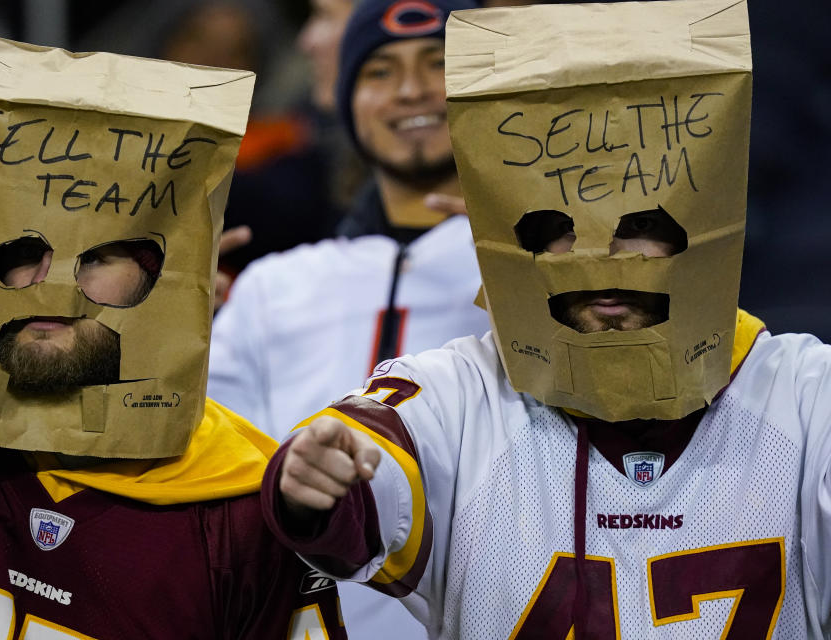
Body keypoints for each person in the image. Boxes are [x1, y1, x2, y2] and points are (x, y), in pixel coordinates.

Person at [260, 1, 831, 638]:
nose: (597, 259)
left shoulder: (808, 394)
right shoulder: (458, 393)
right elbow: (370, 473)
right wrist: (315, 476)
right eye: (557, 230)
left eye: (637, 225)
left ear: (700, 229)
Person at [0, 34, 345, 639]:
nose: (53, 284)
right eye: (26, 247)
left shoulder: (246, 510)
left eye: (98, 255)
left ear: (174, 274)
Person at [209, 1, 487, 637]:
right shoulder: (276, 285)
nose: (413, 90)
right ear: (344, 98)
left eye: (440, 65)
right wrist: (158, 336)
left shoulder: (556, 269)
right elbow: (209, 477)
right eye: (380, 72)